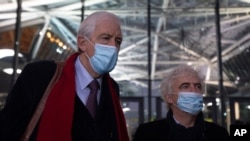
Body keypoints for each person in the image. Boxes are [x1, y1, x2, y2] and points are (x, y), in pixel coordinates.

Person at [0, 11, 129, 141]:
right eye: (106, 38)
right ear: (82, 43)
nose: (114, 47)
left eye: (118, 41)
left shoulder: (112, 88)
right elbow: (7, 130)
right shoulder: (41, 75)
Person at [133, 64, 230, 141]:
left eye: (198, 86)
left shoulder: (219, 134)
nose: (194, 90)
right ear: (169, 98)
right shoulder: (147, 133)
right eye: (185, 86)